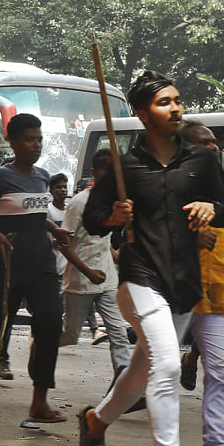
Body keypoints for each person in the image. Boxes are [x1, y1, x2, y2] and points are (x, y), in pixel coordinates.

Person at [76, 70, 224, 446]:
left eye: (178, 100)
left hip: (183, 281)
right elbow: (92, 219)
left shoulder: (201, 161)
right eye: (165, 103)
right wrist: (113, 217)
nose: (176, 108)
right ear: (143, 115)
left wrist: (211, 205)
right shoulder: (124, 167)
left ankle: (96, 421)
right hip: (140, 278)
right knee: (165, 365)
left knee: (143, 366)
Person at [0, 113, 70, 427]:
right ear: (13, 141)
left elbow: (33, 212)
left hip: (42, 264)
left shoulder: (42, 176)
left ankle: (39, 401)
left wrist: (54, 230)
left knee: (49, 322)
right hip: (6, 266)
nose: (36, 144)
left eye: (39, 138)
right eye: (30, 139)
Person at [172, 122, 224, 446]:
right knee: (157, 372)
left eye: (216, 142)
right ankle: (102, 418)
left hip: (217, 296)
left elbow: (218, 230)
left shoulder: (218, 191)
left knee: (220, 373)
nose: (214, 148)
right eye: (205, 143)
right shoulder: (172, 185)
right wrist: (187, 243)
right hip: (176, 293)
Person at [60, 149, 132, 373]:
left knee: (119, 332)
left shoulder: (116, 202)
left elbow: (101, 239)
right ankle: (43, 344)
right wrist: (88, 271)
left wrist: (115, 256)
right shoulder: (79, 203)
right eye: (105, 171)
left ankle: (122, 380)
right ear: (93, 173)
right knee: (70, 335)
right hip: (80, 282)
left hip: (108, 279)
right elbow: (65, 243)